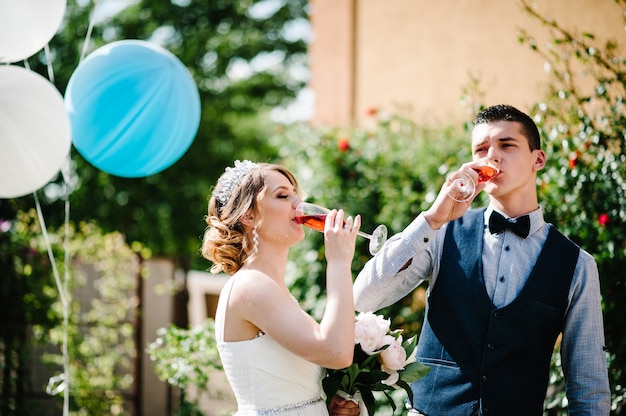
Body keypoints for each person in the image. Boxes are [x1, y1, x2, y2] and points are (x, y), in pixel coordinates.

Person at [353, 105, 611, 416]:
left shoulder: (577, 265)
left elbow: (588, 385)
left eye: (507, 145)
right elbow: (364, 297)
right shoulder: (441, 233)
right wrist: (432, 219)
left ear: (537, 159)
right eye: (481, 149)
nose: (492, 156)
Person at [202, 160, 362, 416]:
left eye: (297, 195)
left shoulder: (270, 287)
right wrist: (340, 262)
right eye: (283, 195)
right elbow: (337, 352)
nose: (298, 204)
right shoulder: (250, 286)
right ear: (249, 215)